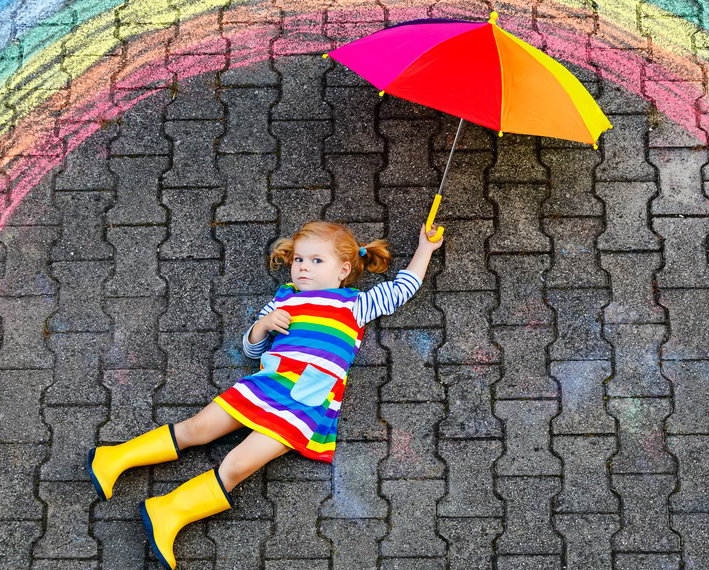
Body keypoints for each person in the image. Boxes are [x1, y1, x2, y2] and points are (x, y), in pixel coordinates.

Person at [87, 219, 443, 568]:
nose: (303, 268)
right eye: (299, 260)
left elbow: (402, 288)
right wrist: (261, 326)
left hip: (306, 406)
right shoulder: (284, 299)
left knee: (239, 465)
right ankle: (112, 458)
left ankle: (167, 511)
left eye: (316, 261)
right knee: (197, 428)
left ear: (342, 270)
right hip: (266, 386)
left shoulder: (353, 304)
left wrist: (425, 248)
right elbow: (251, 350)